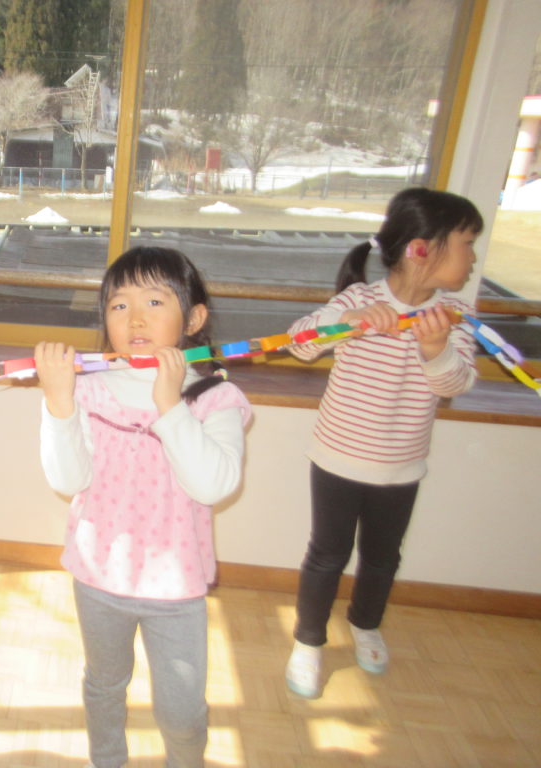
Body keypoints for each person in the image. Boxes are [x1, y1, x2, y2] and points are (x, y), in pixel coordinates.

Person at [35, 246, 251, 768]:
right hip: (98, 578)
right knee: (104, 685)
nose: (134, 318)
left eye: (155, 302)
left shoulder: (213, 397)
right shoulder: (86, 389)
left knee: (181, 712)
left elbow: (212, 485)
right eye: (118, 305)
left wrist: (169, 403)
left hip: (175, 588)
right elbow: (68, 481)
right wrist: (58, 403)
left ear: (193, 319)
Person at [284, 187, 483, 699]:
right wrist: (346, 325)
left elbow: (457, 383)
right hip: (337, 458)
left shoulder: (454, 314)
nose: (472, 257)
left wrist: (435, 349)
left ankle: (366, 624)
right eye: (466, 243)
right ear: (421, 248)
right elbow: (299, 344)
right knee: (326, 555)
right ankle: (308, 641)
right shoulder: (359, 300)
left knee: (382, 558)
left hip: (401, 467)